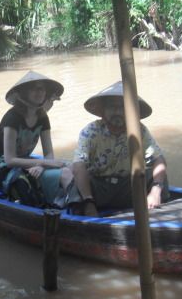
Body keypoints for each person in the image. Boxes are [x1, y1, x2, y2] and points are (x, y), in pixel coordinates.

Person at [70, 81, 168, 217]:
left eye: (122, 107)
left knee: (157, 174)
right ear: (103, 111)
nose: (117, 112)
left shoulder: (139, 130)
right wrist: (88, 201)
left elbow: (158, 159)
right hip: (99, 188)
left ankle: (156, 211)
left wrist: (155, 191)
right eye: (112, 107)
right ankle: (83, 213)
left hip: (128, 187)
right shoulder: (91, 131)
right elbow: (79, 165)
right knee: (75, 177)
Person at [0, 71, 73, 208]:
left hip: (29, 162)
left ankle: (72, 206)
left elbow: (49, 153)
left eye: (42, 89)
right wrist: (41, 162)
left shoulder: (43, 117)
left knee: (69, 169)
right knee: (24, 184)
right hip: (5, 169)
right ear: (24, 92)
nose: (39, 92)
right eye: (34, 88)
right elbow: (10, 160)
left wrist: (41, 166)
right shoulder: (12, 118)